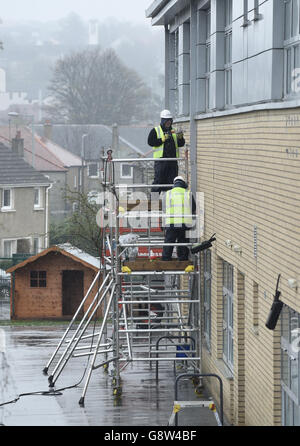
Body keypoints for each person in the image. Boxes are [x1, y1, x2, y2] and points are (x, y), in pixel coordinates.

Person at [148, 110, 185, 194]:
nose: (168, 122)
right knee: (158, 182)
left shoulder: (174, 131)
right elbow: (150, 142)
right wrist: (162, 139)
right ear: (162, 121)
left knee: (171, 183)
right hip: (161, 161)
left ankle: (169, 204)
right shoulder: (155, 130)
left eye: (169, 120)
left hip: (172, 161)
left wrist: (180, 137)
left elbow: (181, 144)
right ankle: (154, 204)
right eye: (166, 120)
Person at [161, 176, 196, 261]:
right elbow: (193, 208)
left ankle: (166, 258)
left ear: (174, 184)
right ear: (183, 183)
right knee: (183, 241)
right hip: (184, 222)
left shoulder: (168, 194)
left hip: (171, 222)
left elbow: (164, 209)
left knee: (169, 241)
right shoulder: (188, 193)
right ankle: (183, 258)